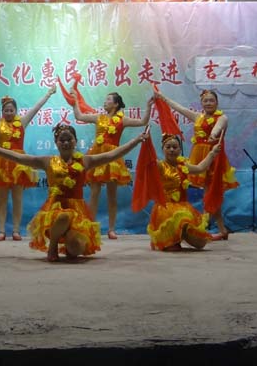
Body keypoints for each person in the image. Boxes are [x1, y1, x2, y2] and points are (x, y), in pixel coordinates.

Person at [0, 123, 147, 262]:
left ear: (75, 141)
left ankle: (69, 242)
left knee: (75, 250)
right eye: (62, 140)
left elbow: (113, 154)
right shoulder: (48, 162)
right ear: (56, 142)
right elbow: (18, 158)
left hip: (78, 212)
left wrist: (137, 140)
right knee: (64, 217)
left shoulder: (86, 160)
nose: (66, 143)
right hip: (55, 211)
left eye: (69, 139)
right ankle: (53, 246)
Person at [0, 81, 56, 241]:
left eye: (11, 110)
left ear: (16, 111)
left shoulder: (22, 122)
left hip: (19, 165)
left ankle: (16, 230)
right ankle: (1, 230)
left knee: (17, 199)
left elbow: (36, 108)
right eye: (6, 110)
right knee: (2, 199)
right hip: (1, 164)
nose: (9, 113)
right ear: (2, 112)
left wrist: (48, 94)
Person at [157, 89, 238, 238]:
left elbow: (218, 127)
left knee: (210, 193)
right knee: (210, 193)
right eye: (205, 101)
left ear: (217, 102)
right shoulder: (198, 117)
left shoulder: (222, 117)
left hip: (214, 158)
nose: (208, 103)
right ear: (201, 103)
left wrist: (213, 134)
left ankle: (204, 228)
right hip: (199, 157)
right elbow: (179, 108)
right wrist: (163, 97)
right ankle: (221, 230)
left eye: (211, 100)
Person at [73, 92, 152, 239]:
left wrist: (148, 106)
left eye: (108, 99)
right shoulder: (98, 117)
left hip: (113, 158)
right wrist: (74, 101)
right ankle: (90, 226)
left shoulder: (122, 120)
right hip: (96, 156)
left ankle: (111, 229)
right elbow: (79, 116)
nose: (105, 102)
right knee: (94, 193)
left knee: (112, 195)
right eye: (105, 99)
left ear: (115, 104)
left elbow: (143, 121)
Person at [146, 134, 222, 251]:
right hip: (165, 208)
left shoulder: (183, 165)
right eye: (168, 147)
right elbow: (148, 163)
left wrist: (212, 153)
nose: (172, 150)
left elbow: (200, 168)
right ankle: (168, 239)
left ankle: (178, 236)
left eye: (175, 147)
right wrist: (146, 143)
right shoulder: (159, 165)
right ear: (163, 149)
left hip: (182, 206)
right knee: (179, 227)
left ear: (180, 150)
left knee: (200, 243)